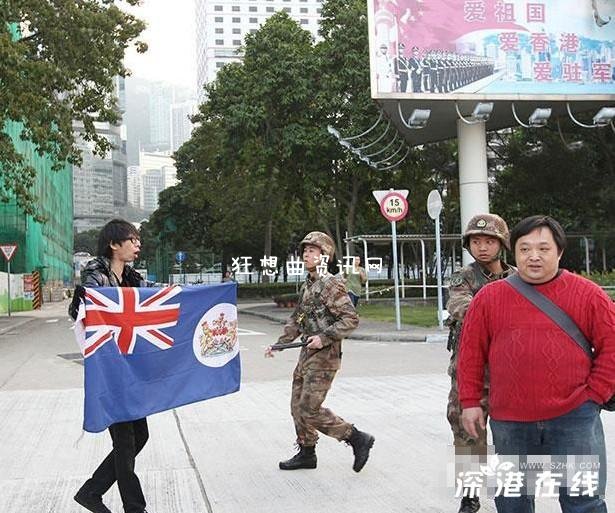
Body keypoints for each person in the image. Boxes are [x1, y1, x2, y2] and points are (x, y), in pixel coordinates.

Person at [458, 215, 615, 513]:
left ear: (559, 252)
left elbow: (612, 346)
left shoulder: (589, 295)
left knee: (583, 502)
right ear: (514, 252)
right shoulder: (488, 298)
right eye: (525, 248)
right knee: (512, 501)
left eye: (543, 248)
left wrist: (595, 394)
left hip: (574, 417)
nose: (533, 256)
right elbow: (471, 353)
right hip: (510, 421)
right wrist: (470, 400)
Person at [265, 231, 375, 472]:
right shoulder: (310, 284)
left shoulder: (331, 284)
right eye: (305, 250)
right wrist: (280, 344)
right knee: (297, 406)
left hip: (325, 355)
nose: (306, 254)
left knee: (309, 408)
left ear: (325, 255)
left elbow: (350, 319)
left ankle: (356, 438)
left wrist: (324, 338)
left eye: (312, 250)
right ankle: (307, 452)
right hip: (307, 353)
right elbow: (298, 318)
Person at [70, 219, 150, 513]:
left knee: (139, 435)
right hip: (107, 368)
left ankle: (91, 492)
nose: (138, 244)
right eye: (132, 239)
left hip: (129, 368)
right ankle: (134, 507)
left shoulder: (132, 276)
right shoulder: (95, 273)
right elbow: (88, 303)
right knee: (126, 440)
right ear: (114, 244)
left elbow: (154, 297)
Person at [446, 213, 515, 513]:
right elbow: (462, 308)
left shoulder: (517, 276)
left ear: (502, 244)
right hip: (470, 367)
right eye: (476, 241)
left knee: (512, 431)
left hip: (508, 368)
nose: (482, 247)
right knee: (466, 429)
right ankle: (470, 493)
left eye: (489, 241)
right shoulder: (464, 277)